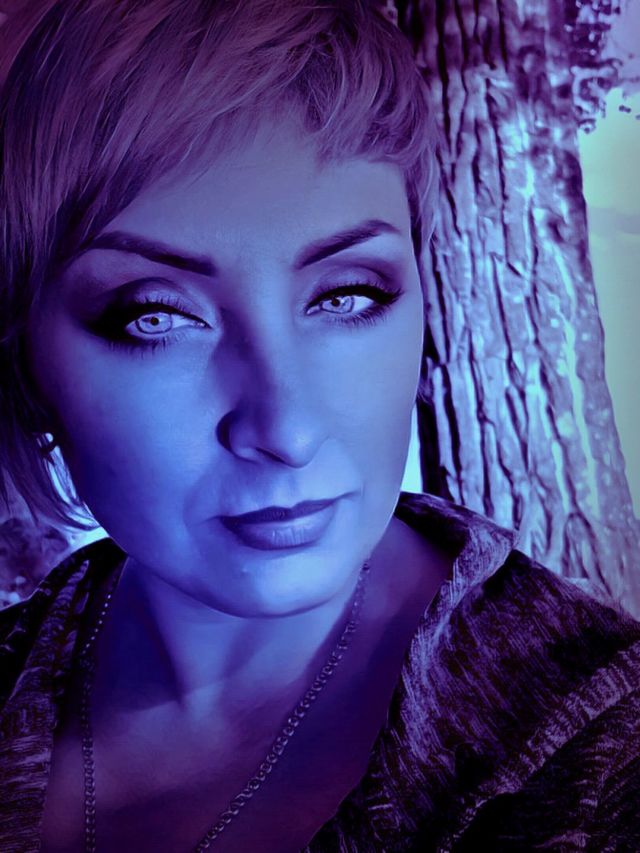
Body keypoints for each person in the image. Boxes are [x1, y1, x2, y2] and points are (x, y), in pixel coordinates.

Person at [0, 1, 639, 851]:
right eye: (156, 315)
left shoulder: (601, 754)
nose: (286, 427)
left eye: (346, 295)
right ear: (26, 359)